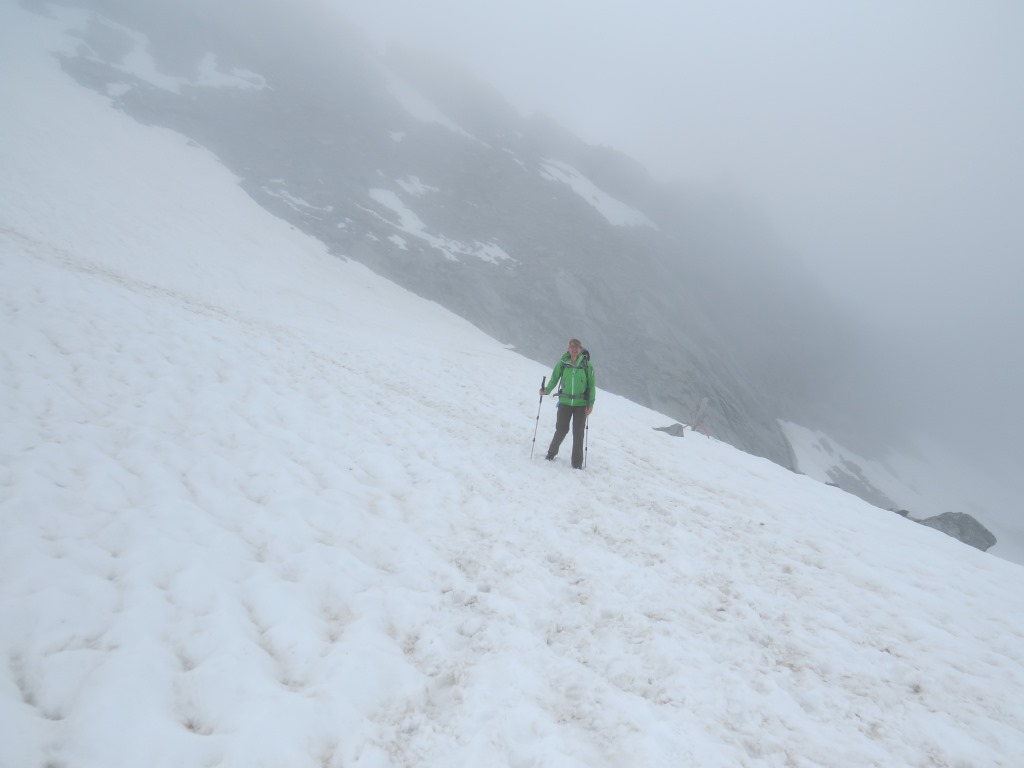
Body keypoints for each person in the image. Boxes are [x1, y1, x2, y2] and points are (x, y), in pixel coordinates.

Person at [539, 338, 595, 469]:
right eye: (572, 347)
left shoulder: (587, 365)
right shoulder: (563, 363)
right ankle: (551, 454)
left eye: (577, 347)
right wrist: (546, 390)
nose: (574, 349)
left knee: (578, 433)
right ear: (568, 349)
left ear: (581, 349)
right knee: (561, 429)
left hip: (581, 403)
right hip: (564, 402)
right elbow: (554, 379)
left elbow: (592, 386)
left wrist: (590, 403)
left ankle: (576, 464)